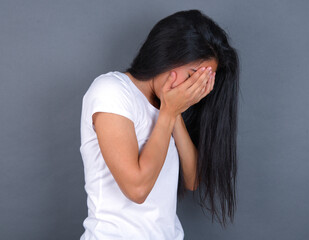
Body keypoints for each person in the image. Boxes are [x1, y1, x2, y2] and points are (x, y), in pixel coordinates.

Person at [79, 9, 239, 240]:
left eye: (206, 80)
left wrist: (172, 113)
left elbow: (193, 178)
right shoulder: (111, 90)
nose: (197, 86)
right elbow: (137, 189)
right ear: (168, 55)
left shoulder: (167, 108)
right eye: (193, 74)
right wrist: (169, 112)